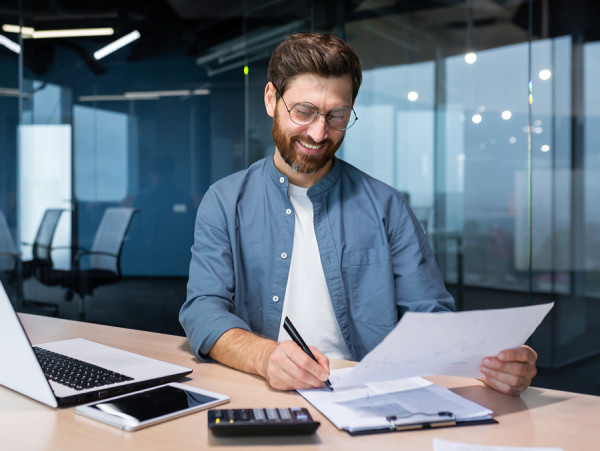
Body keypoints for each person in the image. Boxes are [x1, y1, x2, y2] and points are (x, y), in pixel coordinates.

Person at [180, 32, 537, 396]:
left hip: (370, 398)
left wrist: (491, 361)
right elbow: (203, 310)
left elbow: (429, 317)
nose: (319, 133)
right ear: (272, 99)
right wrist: (265, 356)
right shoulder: (225, 201)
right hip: (261, 392)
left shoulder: (387, 206)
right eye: (303, 112)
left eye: (336, 116)